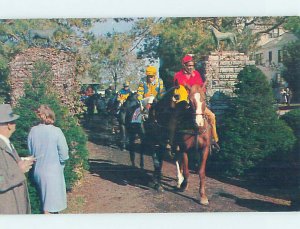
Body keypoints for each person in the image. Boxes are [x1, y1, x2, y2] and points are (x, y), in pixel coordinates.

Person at [172, 55, 220, 150]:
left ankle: (214, 140)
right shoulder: (178, 75)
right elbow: (180, 88)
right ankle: (174, 141)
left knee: (212, 116)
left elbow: (201, 87)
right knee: (175, 119)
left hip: (196, 103)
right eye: (189, 65)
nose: (191, 67)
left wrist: (202, 91)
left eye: (192, 65)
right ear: (184, 65)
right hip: (184, 103)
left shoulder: (197, 74)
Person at [28, 105, 69, 214]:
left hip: (37, 171)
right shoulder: (56, 131)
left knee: (46, 203)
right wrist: (61, 163)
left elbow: (31, 152)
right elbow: (64, 154)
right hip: (52, 173)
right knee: (49, 208)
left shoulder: (33, 131)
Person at [0, 104, 34, 214]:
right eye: (14, 121)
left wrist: (21, 161)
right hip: (7, 210)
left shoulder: (6, 142)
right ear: (9, 125)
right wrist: (19, 170)